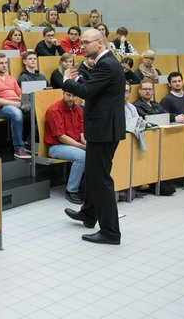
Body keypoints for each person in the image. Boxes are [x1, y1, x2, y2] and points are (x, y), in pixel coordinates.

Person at [61, 28, 125, 245]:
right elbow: (95, 89)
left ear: (100, 43)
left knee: (101, 180)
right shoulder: (107, 63)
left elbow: (86, 92)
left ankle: (110, 232)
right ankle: (89, 214)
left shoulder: (106, 64)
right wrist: (79, 79)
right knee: (93, 174)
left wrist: (66, 80)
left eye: (86, 42)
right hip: (104, 128)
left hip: (104, 131)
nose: (82, 46)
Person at [0, 53, 30, 159]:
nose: (4, 65)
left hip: (17, 104)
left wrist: (26, 103)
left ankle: (28, 142)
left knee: (38, 112)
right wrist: (16, 104)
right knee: (16, 113)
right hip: (2, 108)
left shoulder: (11, 78)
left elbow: (20, 94)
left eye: (5, 63)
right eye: (1, 63)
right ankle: (19, 149)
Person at [44, 89, 86, 204]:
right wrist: (82, 147)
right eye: (68, 95)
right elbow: (61, 137)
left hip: (74, 145)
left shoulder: (78, 109)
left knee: (95, 151)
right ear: (63, 94)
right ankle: (71, 190)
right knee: (83, 156)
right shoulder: (54, 110)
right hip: (56, 146)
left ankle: (86, 188)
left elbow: (81, 132)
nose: (71, 99)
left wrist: (86, 142)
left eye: (74, 96)